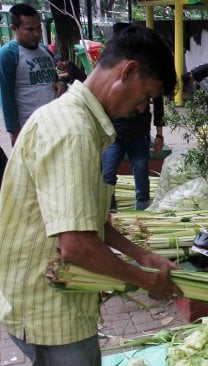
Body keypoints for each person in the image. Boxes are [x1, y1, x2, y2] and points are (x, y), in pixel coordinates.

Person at [0, 24, 183, 365]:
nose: (142, 107)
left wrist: (140, 254)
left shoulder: (74, 120)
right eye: (145, 96)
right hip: (49, 309)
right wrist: (145, 281)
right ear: (128, 71)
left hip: (52, 298)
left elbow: (87, 219)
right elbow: (76, 244)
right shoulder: (73, 132)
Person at [102, 22, 165, 211]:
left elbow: (159, 101)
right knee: (108, 173)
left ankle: (142, 212)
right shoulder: (109, 67)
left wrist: (159, 134)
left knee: (140, 170)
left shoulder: (146, 68)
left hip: (138, 132)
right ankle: (108, 210)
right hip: (114, 133)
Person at [0, 3, 67, 145]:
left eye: (38, 28)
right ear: (14, 29)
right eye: (29, 30)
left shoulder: (45, 51)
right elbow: (6, 95)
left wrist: (61, 83)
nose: (37, 34)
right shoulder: (8, 54)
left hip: (54, 125)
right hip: (29, 128)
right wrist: (14, 132)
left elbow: (55, 80)